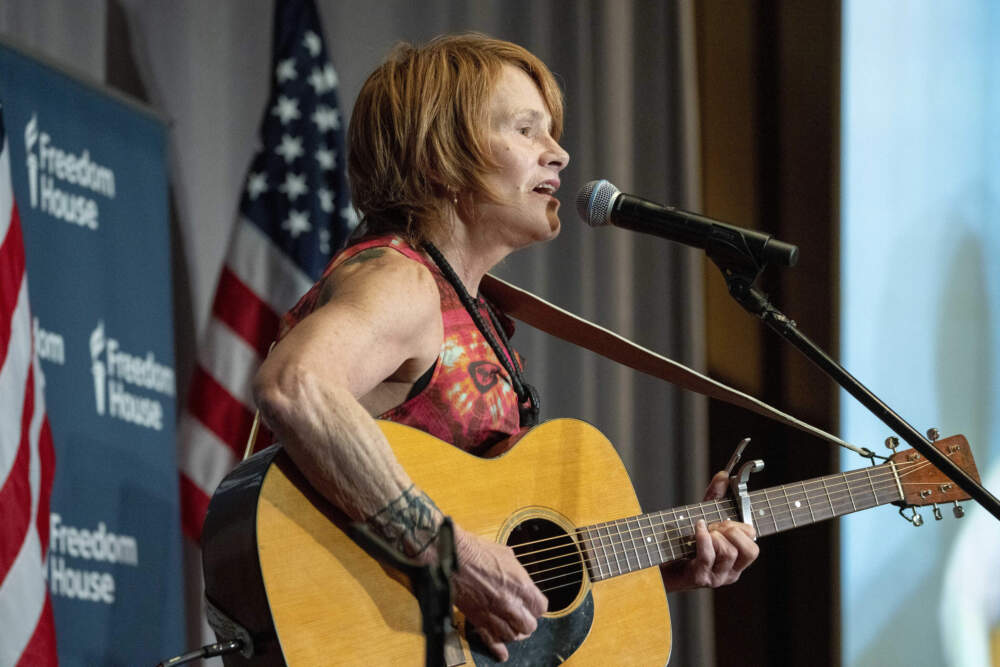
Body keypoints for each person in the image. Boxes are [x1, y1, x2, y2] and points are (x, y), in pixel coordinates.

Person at [252, 33, 758, 663]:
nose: (561, 153)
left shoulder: (473, 310)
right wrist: (450, 554)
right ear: (439, 156)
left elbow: (495, 561)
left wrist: (662, 562)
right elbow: (293, 386)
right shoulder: (400, 280)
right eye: (526, 130)